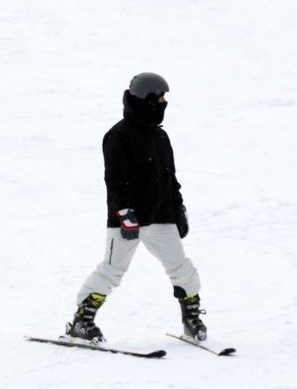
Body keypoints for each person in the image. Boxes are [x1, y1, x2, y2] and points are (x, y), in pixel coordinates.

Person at [66, 72, 209, 343]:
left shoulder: (161, 137)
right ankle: (81, 322)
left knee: (182, 269)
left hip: (161, 217)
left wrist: (178, 209)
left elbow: (171, 180)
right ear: (144, 99)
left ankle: (191, 320)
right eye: (159, 98)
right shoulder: (118, 136)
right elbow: (115, 180)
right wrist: (123, 212)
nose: (163, 102)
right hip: (127, 221)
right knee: (111, 271)